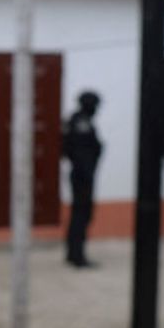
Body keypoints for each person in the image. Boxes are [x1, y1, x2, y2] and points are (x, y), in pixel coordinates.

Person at [62, 90, 104, 268]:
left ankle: (74, 253)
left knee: (79, 215)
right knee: (81, 215)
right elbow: (80, 152)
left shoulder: (78, 121)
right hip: (82, 175)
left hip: (82, 174)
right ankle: (77, 256)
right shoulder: (81, 122)